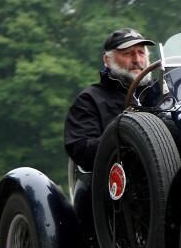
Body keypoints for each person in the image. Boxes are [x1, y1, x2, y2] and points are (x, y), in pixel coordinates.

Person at [64, 28, 157, 171]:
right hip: (117, 184)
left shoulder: (162, 92)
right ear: (108, 60)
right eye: (128, 53)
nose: (137, 60)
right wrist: (127, 136)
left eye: (141, 52)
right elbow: (81, 150)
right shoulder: (89, 100)